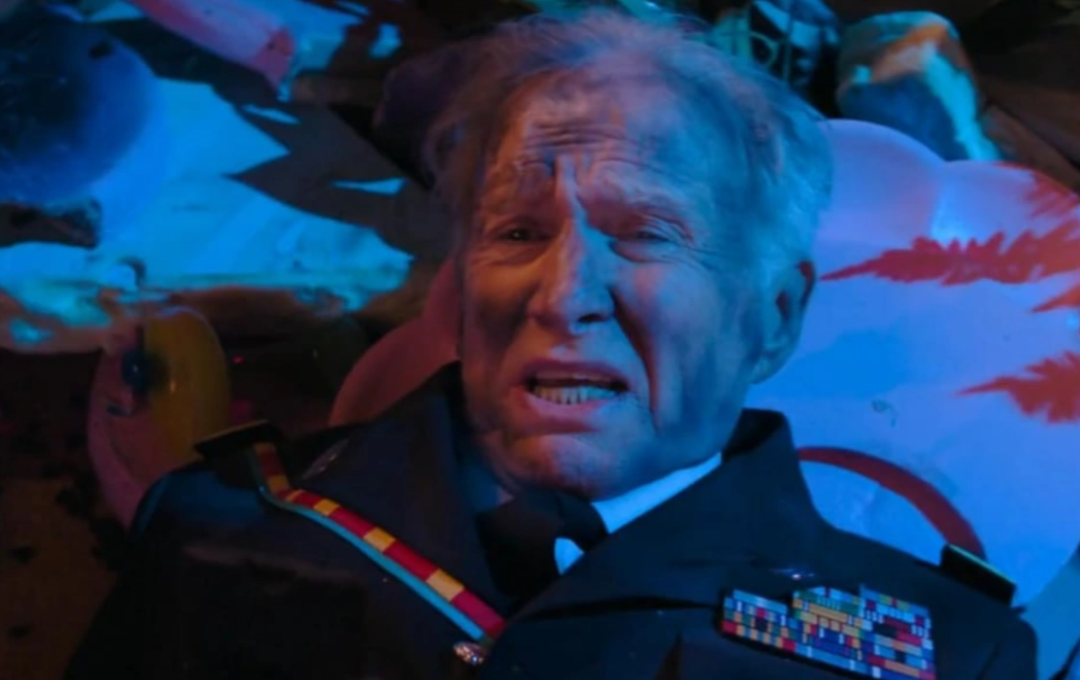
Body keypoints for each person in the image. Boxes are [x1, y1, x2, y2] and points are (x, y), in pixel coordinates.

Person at [66, 9, 1036, 680]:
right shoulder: (212, 527)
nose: (564, 294)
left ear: (771, 317)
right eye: (519, 231)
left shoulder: (951, 653)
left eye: (647, 233)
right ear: (460, 286)